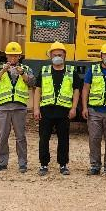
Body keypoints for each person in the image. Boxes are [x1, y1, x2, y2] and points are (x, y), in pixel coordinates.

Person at [32, 42, 81, 176]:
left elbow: (76, 91)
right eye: (55, 55)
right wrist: (36, 109)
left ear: (65, 55)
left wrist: (74, 108)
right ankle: (43, 164)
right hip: (46, 110)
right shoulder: (44, 71)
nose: (57, 57)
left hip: (64, 111)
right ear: (50, 56)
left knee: (63, 139)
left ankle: (63, 164)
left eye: (60, 55)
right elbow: (38, 90)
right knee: (44, 139)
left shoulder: (71, 72)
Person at [0, 41, 35, 173]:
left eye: (15, 56)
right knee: (2, 136)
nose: (13, 58)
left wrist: (22, 74)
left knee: (20, 137)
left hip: (19, 107)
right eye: (10, 55)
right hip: (3, 107)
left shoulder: (26, 69)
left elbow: (32, 82)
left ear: (19, 56)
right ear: (6, 56)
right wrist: (3, 71)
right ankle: (2, 162)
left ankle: (22, 164)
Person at [82, 42, 106, 176]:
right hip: (94, 110)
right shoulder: (92, 70)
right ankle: (95, 166)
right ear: (101, 55)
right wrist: (85, 107)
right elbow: (85, 89)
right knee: (94, 139)